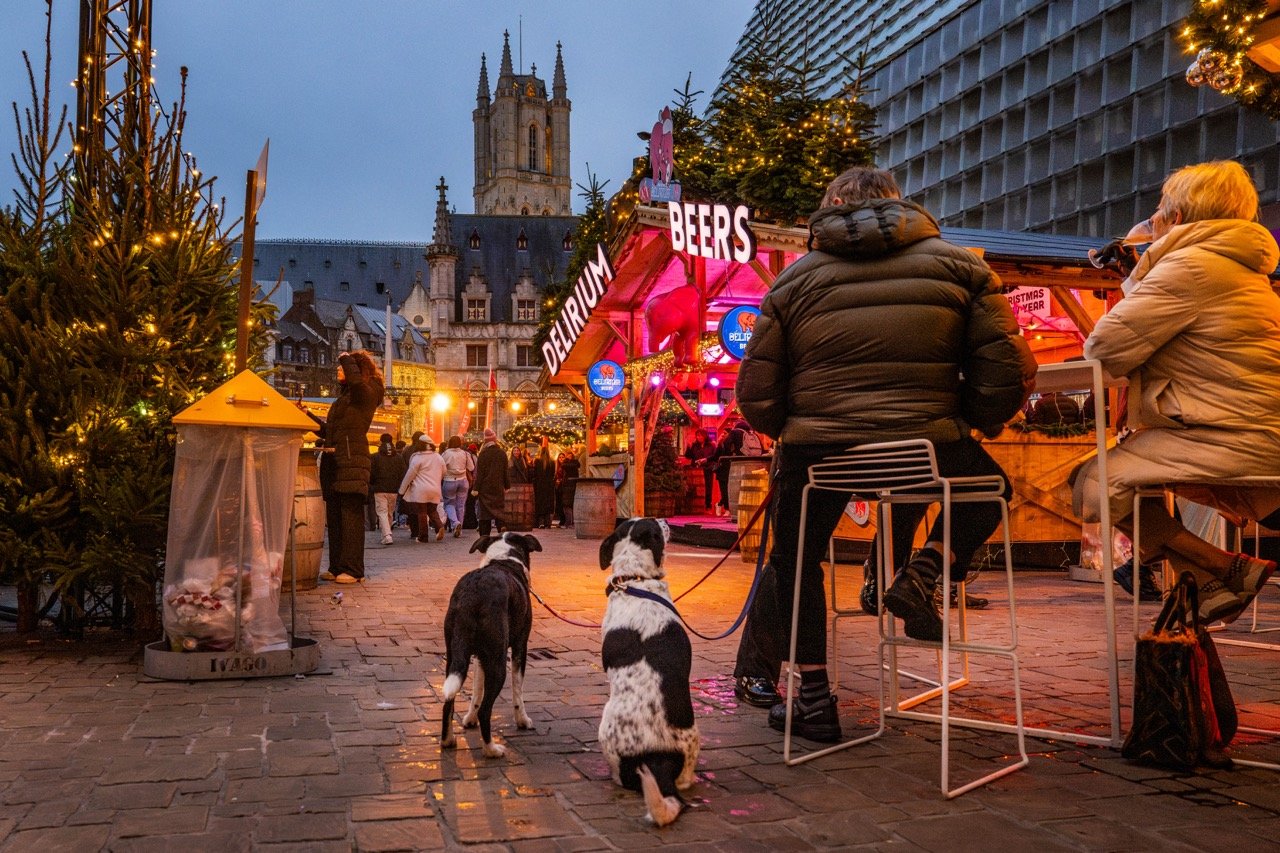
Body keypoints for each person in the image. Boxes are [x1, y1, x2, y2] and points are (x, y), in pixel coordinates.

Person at [731, 166, 1035, 741]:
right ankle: (924, 571)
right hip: (927, 448)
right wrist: (961, 419)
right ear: (901, 206)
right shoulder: (964, 267)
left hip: (822, 454)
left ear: (834, 206)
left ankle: (814, 700)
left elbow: (757, 395)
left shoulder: (793, 284)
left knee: (795, 561)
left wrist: (793, 427)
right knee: (987, 492)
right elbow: (1004, 374)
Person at [1071, 160, 1280, 624]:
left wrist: (1138, 274)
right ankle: (1211, 583)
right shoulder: (1235, 266)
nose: (1153, 219)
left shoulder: (1190, 266)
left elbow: (1104, 349)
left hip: (1224, 433)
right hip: (1241, 428)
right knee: (1134, 482)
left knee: (1093, 483)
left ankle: (1225, 567)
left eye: (1160, 209)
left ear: (1178, 218)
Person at [316, 350, 386, 584]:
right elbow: (330, 431)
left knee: (351, 518)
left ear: (355, 369)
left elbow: (358, 385)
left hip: (352, 461)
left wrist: (346, 357)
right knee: (335, 519)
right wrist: (308, 417)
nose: (338, 371)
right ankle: (337, 567)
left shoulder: (367, 393)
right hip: (335, 463)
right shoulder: (344, 399)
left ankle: (354, 570)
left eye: (342, 368)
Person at [399, 437, 448, 542]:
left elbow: (409, 475)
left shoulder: (417, 458)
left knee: (421, 511)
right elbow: (444, 471)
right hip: (435, 488)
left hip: (420, 489)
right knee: (432, 510)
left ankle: (423, 536)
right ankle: (439, 527)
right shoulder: (438, 457)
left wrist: (402, 490)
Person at [369, 434, 407, 545]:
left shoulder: (375, 457)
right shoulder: (399, 457)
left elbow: (371, 474)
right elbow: (403, 473)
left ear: (381, 442)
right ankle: (386, 534)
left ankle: (387, 535)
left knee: (382, 512)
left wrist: (372, 485)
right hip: (394, 489)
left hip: (379, 488)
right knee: (389, 513)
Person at [473, 428, 509, 536]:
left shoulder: (483, 454)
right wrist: (507, 485)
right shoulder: (502, 453)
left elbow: (480, 474)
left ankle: (484, 536)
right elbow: (505, 471)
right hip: (498, 487)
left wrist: (476, 488)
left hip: (485, 488)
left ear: (485, 441)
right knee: (499, 510)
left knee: (484, 515)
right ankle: (502, 526)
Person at [441, 435, 475, 538]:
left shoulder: (446, 454)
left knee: (449, 503)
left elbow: (442, 468)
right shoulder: (465, 453)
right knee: (461, 505)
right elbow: (471, 467)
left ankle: (455, 523)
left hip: (449, 480)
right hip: (463, 481)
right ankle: (460, 529)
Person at [683, 428, 716, 511]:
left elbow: (714, 457)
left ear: (705, 436)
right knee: (696, 488)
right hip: (696, 469)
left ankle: (708, 505)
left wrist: (705, 460)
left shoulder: (711, 445)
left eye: (701, 436)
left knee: (708, 487)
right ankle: (696, 506)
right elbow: (688, 456)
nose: (699, 437)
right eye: (697, 436)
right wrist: (688, 447)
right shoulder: (694, 445)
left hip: (708, 468)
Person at [532, 441, 557, 528]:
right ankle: (547, 523)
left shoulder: (537, 461)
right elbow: (553, 474)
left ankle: (540, 522)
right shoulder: (552, 462)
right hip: (549, 486)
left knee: (540, 504)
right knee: (548, 504)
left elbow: (534, 474)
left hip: (539, 485)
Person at [556, 448, 581, 527]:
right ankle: (569, 522)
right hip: (568, 485)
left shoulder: (568, 464)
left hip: (568, 485)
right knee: (568, 504)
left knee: (567, 505)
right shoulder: (572, 464)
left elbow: (566, 466)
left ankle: (569, 522)